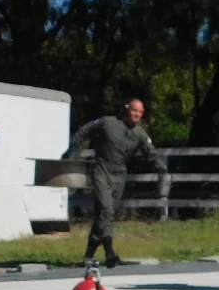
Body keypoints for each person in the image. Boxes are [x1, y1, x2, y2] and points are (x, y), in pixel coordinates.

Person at [63, 98, 168, 267]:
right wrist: (72, 149)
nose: (137, 115)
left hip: (120, 174)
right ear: (127, 109)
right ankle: (110, 252)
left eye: (140, 112)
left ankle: (88, 257)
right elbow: (85, 131)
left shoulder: (140, 134)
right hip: (101, 170)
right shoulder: (108, 122)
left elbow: (151, 153)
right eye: (135, 110)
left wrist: (161, 168)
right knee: (106, 209)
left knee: (104, 215)